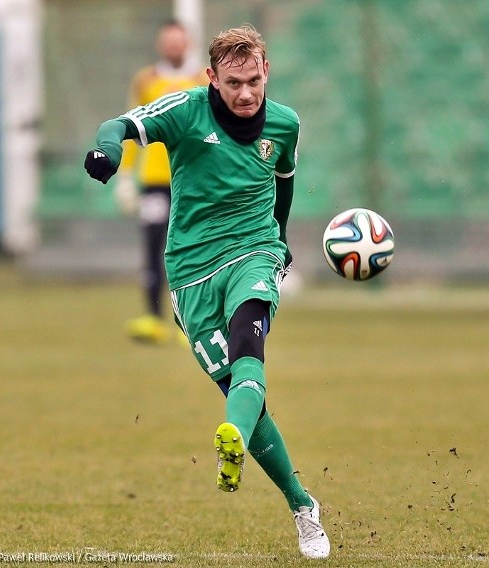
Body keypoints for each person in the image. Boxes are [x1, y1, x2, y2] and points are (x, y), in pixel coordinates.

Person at [84, 25, 330, 560]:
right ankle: (302, 503)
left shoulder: (284, 124)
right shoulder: (185, 111)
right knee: (244, 395)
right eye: (236, 82)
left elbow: (283, 183)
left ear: (268, 75)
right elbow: (117, 124)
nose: (247, 94)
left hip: (253, 251)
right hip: (191, 272)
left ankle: (232, 438)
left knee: (249, 347)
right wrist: (106, 154)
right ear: (212, 78)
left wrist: (280, 243)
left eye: (256, 81)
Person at [116, 21, 208, 345]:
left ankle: (193, 321)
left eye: (178, 41)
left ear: (189, 44)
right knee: (154, 247)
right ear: (160, 44)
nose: (173, 47)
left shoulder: (203, 80)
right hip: (155, 180)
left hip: (193, 180)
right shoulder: (146, 81)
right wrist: (125, 175)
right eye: (168, 41)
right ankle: (154, 319)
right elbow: (131, 128)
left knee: (194, 249)